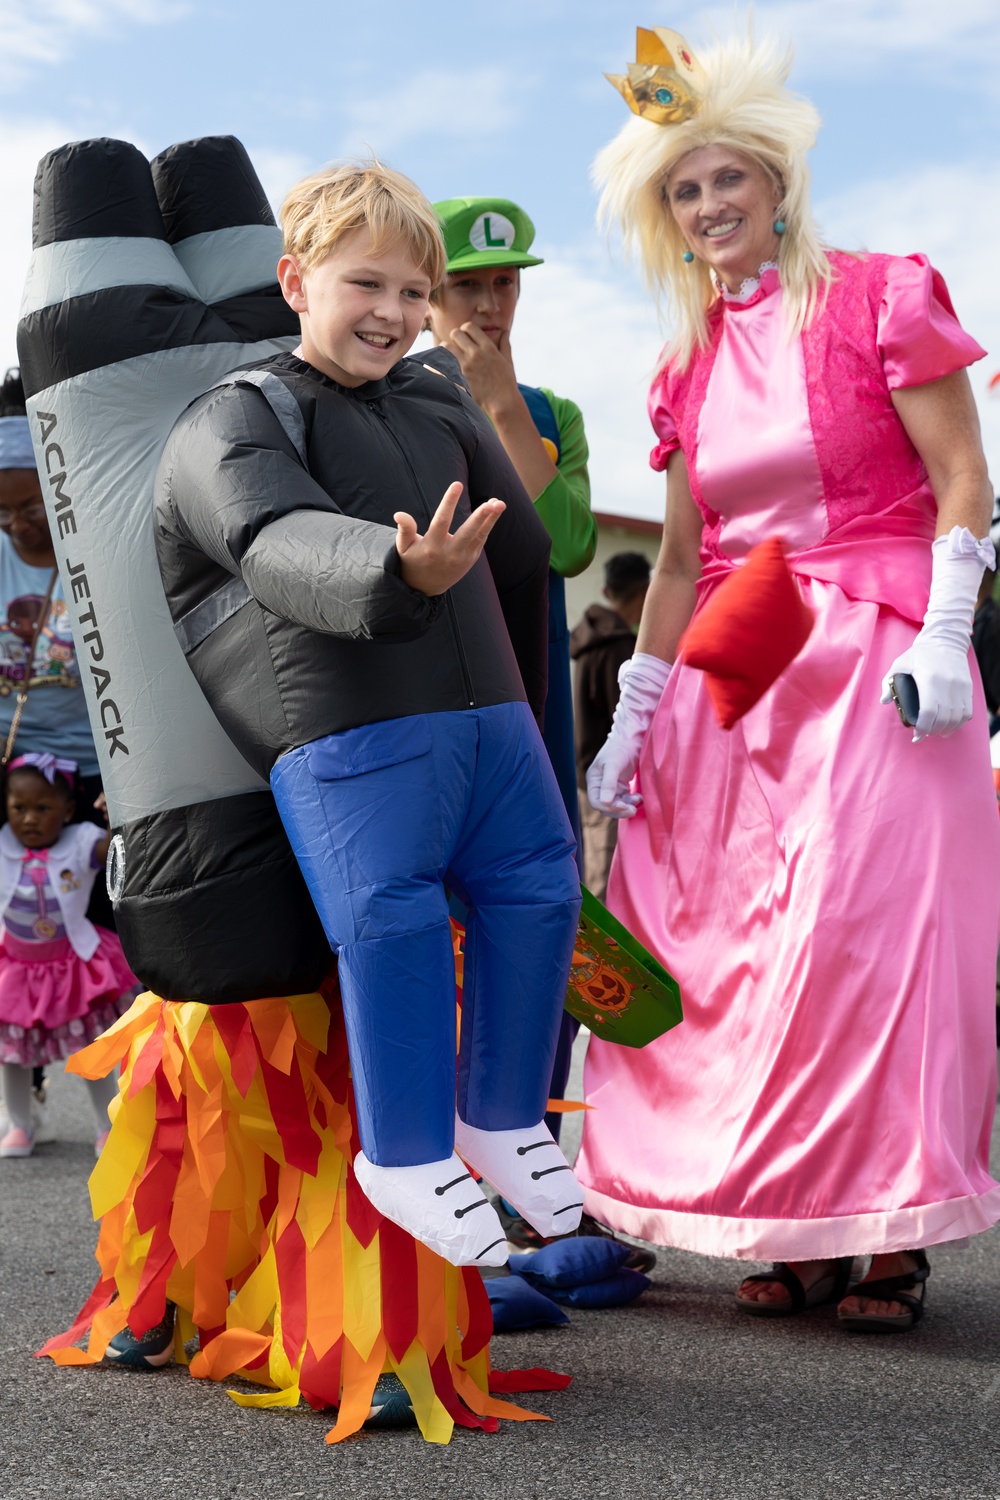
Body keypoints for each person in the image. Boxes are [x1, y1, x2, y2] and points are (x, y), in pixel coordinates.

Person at [578, 25, 1000, 1332]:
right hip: (739, 675)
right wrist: (631, 718)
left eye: (726, 181)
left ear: (776, 184)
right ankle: (785, 1222)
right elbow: (683, 556)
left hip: (880, 659)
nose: (708, 207)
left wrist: (944, 633)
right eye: (684, 190)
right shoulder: (685, 364)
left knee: (869, 941)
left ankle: (886, 1240)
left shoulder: (883, 295)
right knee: (743, 948)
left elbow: (962, 481)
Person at [152, 159, 584, 1269]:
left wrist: (530, 711)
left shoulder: (438, 400)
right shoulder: (238, 413)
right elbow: (267, 538)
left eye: (410, 292)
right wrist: (394, 570)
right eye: (365, 285)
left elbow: (525, 551)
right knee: (388, 920)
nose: (391, 313)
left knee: (538, 891)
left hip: (490, 724)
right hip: (352, 729)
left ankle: (500, 1117)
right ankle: (402, 1150)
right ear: (297, 280)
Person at [423, 197, 597, 1183]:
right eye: (467, 285)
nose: (489, 305)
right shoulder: (380, 395)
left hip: (530, 712)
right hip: (416, 713)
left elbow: (568, 541)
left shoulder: (550, 414)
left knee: (534, 930)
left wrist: (498, 404)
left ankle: (525, 1176)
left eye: (505, 282)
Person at [0, 754, 135, 1158]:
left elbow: (112, 848)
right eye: (19, 808)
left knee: (89, 1049)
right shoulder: (3, 843)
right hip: (15, 968)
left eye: (43, 808)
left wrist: (115, 813)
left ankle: (107, 1126)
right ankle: (20, 1126)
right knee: (11, 1054)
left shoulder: (80, 842)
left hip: (72, 967)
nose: (29, 819)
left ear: (69, 810)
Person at [571, 551, 650, 899]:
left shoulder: (588, 640)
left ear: (606, 591)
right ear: (646, 590)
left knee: (592, 871)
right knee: (604, 882)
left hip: (586, 777)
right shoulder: (619, 647)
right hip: (609, 781)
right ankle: (596, 956)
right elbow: (624, 718)